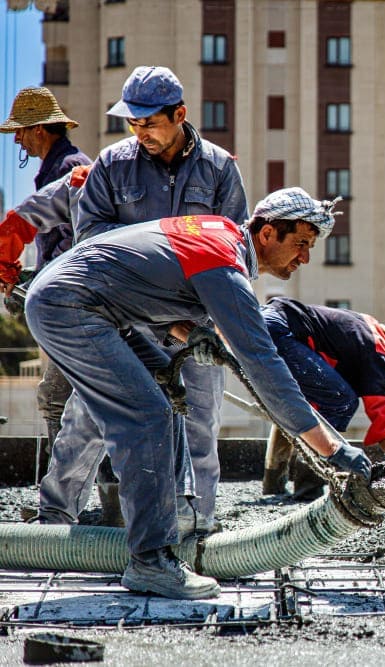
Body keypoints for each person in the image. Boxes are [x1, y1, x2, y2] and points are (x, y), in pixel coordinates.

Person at [24, 187, 371, 600]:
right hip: (70, 307)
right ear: (266, 234)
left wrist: (187, 332)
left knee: (167, 395)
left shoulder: (218, 234)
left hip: (84, 302)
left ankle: (169, 533)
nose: (305, 257)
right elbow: (264, 365)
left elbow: (138, 283)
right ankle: (150, 561)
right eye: (300, 243)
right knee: (145, 416)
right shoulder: (223, 261)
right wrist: (331, 448)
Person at [46, 65, 248, 533]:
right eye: (132, 124)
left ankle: (196, 531)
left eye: (149, 123)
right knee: (89, 417)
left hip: (193, 328)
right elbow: (91, 239)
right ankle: (51, 525)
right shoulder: (112, 165)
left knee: (198, 427)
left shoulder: (219, 169)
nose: (140, 134)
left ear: (179, 114)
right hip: (126, 322)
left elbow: (234, 245)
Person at [258, 298, 385, 498]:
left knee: (299, 405)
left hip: (267, 321)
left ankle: (273, 485)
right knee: (340, 400)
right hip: (280, 330)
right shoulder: (380, 353)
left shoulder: (371, 329)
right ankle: (308, 487)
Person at [0, 86, 91, 458]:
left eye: (21, 130)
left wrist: (39, 282)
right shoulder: (56, 166)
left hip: (73, 303)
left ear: (41, 129)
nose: (17, 139)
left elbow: (74, 244)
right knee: (73, 401)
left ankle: (64, 502)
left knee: (56, 398)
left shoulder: (69, 168)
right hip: (71, 296)